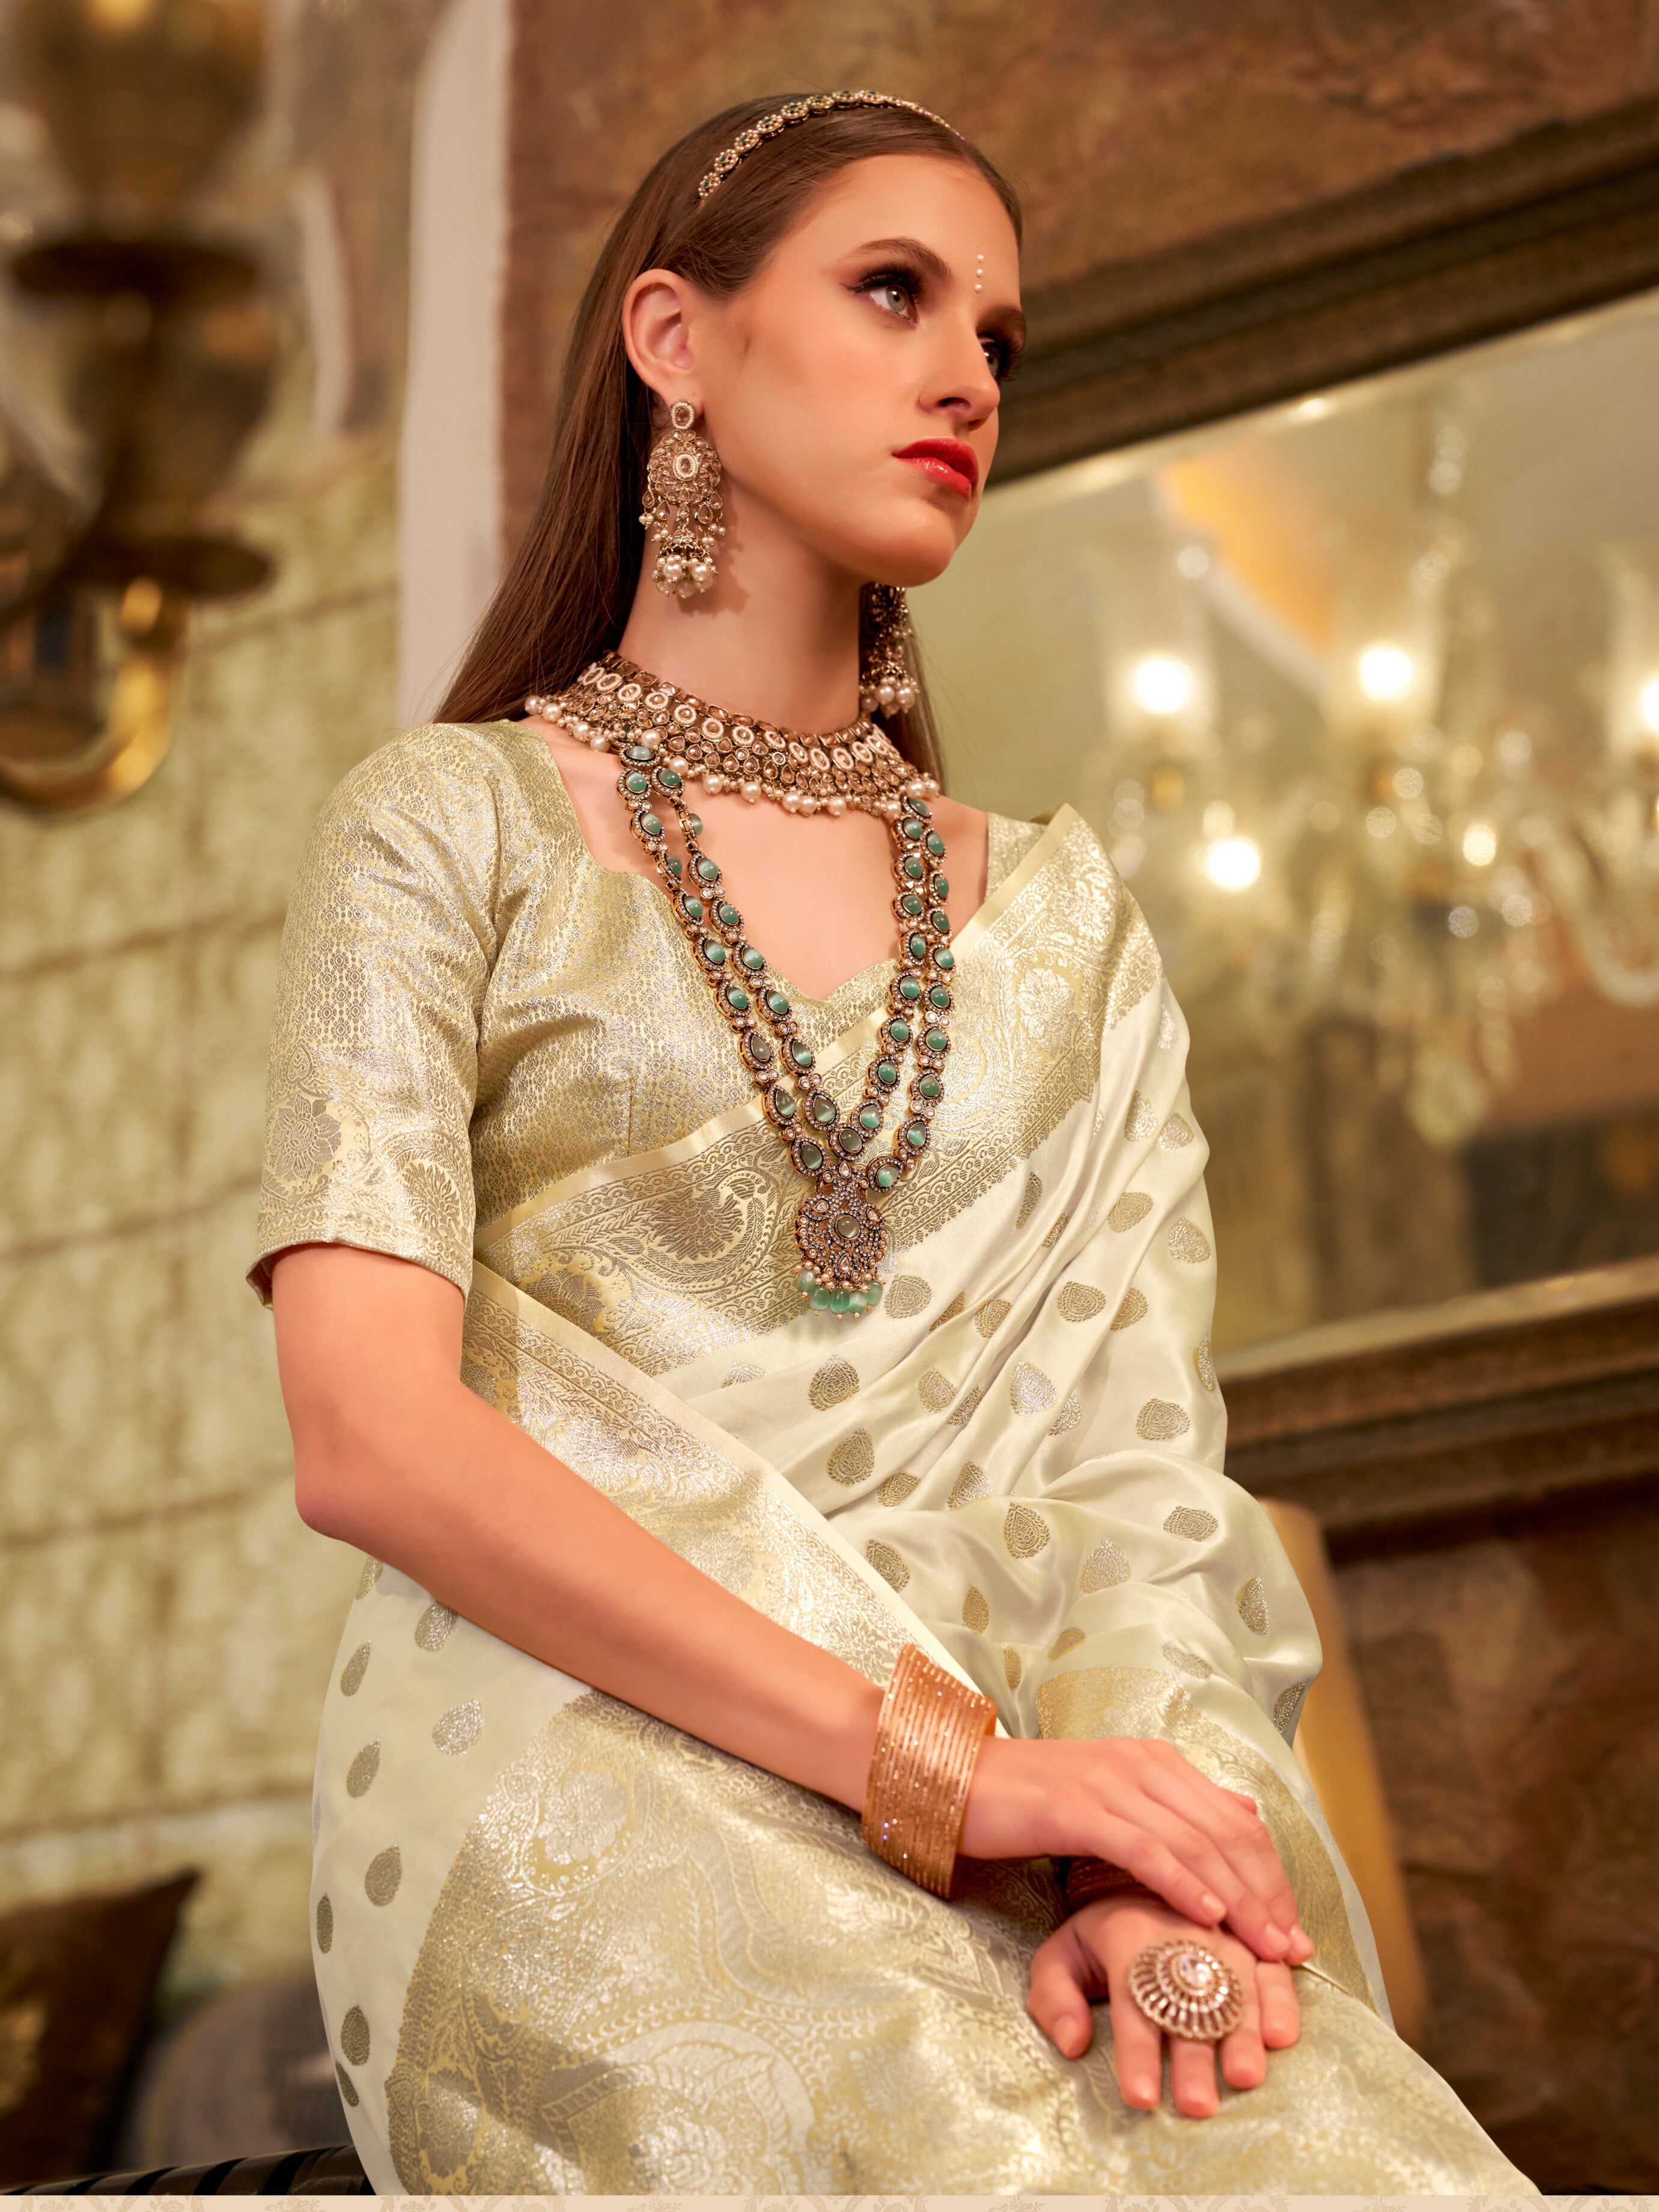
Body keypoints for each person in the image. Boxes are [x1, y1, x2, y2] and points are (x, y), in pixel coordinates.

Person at [253, 91, 1530, 2194]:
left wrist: (1135, 1851)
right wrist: (961, 1782)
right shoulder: (445, 831)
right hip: (573, 1774)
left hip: (1031, 1798)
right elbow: (369, 1439)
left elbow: (1132, 1482)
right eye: (891, 292)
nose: (967, 377)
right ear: (676, 337)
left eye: (997, 338)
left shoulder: (1063, 928)